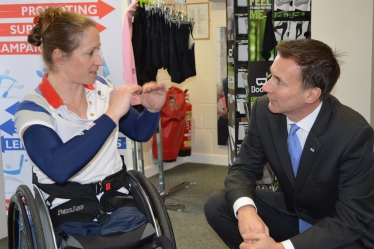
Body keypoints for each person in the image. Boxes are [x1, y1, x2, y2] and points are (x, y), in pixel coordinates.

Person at [15, 7, 166, 246]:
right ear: (60, 56)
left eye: (99, 50)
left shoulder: (103, 89)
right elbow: (58, 168)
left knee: (155, 242)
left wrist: (152, 110)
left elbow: (139, 132)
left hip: (117, 202)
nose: (100, 61)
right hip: (66, 210)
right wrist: (111, 114)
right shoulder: (33, 108)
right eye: (90, 53)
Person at [204, 39, 374, 249]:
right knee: (219, 205)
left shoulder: (352, 134)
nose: (266, 86)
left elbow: (351, 219)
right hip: (294, 214)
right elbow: (243, 169)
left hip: (338, 228)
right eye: (270, 75)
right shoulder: (264, 111)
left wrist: (281, 248)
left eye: (279, 81)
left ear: (312, 94)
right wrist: (246, 210)